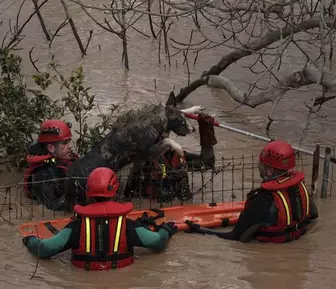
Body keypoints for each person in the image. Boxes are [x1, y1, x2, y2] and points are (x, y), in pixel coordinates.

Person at [22, 167, 178, 270]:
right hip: (120, 283)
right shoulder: (129, 226)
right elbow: (158, 242)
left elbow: (45, 250)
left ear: (88, 192)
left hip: (84, 285)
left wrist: (29, 240)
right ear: (116, 191)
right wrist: (166, 230)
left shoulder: (76, 227)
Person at [184, 140, 319, 242]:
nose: (258, 166)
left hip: (267, 257)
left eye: (261, 164)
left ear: (270, 170)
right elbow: (314, 216)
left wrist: (199, 230)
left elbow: (235, 237)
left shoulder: (262, 199)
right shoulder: (300, 188)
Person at [123, 113, 218, 202]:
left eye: (166, 130)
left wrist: (206, 131)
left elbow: (207, 163)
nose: (163, 134)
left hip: (178, 209)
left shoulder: (176, 155)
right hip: (150, 210)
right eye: (158, 131)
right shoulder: (139, 159)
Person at [23, 120, 79, 212]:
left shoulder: (69, 159)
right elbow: (51, 207)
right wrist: (76, 194)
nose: (70, 146)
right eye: (64, 143)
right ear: (51, 148)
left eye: (69, 142)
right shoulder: (42, 174)